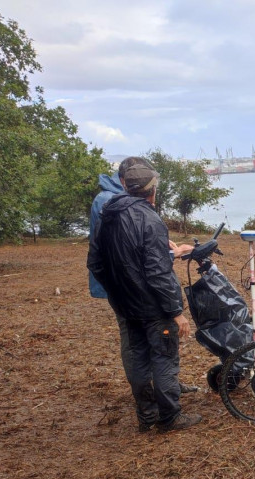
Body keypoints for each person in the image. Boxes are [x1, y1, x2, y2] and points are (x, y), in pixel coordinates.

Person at [87, 157, 202, 433]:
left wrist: (117, 290)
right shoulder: (149, 220)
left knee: (136, 357)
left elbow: (96, 263)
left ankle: (146, 415)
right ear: (152, 189)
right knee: (163, 358)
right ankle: (169, 417)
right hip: (153, 307)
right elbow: (157, 273)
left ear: (127, 185)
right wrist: (176, 312)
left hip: (125, 305)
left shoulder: (108, 214)